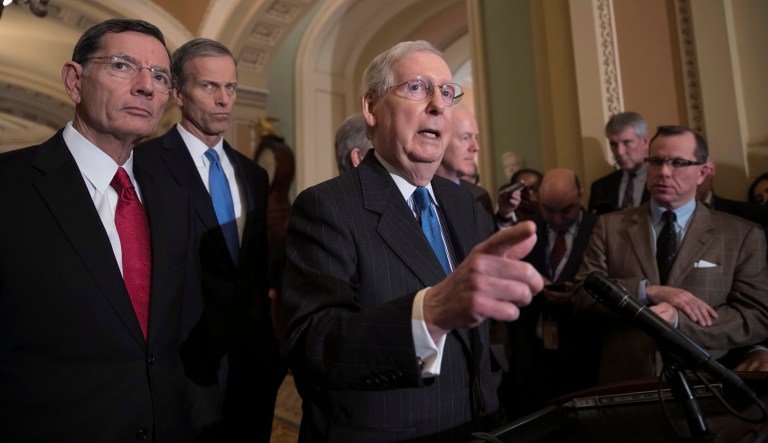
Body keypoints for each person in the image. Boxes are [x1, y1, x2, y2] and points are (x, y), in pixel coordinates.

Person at [278, 40, 543, 442]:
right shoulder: (326, 206)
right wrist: (430, 312)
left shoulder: (464, 202)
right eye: (418, 88)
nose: (438, 104)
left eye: (447, 92)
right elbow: (312, 346)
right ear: (371, 108)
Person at [0, 18, 195, 441]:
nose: (146, 86)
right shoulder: (8, 188)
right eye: (123, 65)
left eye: (160, 76)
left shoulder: (174, 200)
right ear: (74, 81)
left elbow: (177, 341)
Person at [135, 38, 285, 442]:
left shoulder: (254, 174)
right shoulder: (144, 165)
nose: (224, 100)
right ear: (179, 94)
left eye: (230, 87)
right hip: (181, 363)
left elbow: (252, 272)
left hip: (252, 365)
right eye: (209, 87)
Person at [574, 125, 768, 384]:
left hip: (706, 381)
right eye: (656, 161)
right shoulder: (610, 227)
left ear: (702, 172)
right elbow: (582, 295)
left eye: (678, 163)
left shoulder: (742, 235)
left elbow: (755, 317)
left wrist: (680, 322)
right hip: (627, 380)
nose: (664, 172)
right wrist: (646, 291)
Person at [502, 168, 600, 416]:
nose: (556, 219)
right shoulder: (528, 228)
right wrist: (533, 281)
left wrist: (579, 293)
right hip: (532, 352)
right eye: (548, 209)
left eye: (566, 210)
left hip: (584, 353)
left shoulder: (599, 229)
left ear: (580, 194)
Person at [435, 104, 495, 239]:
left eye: (476, 138)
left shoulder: (480, 196)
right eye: (466, 137)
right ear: (439, 138)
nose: (476, 147)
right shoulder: (416, 195)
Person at [588, 112, 651, 214]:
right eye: (613, 144)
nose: (620, 152)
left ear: (645, 142)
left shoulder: (663, 182)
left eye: (627, 142)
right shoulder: (600, 187)